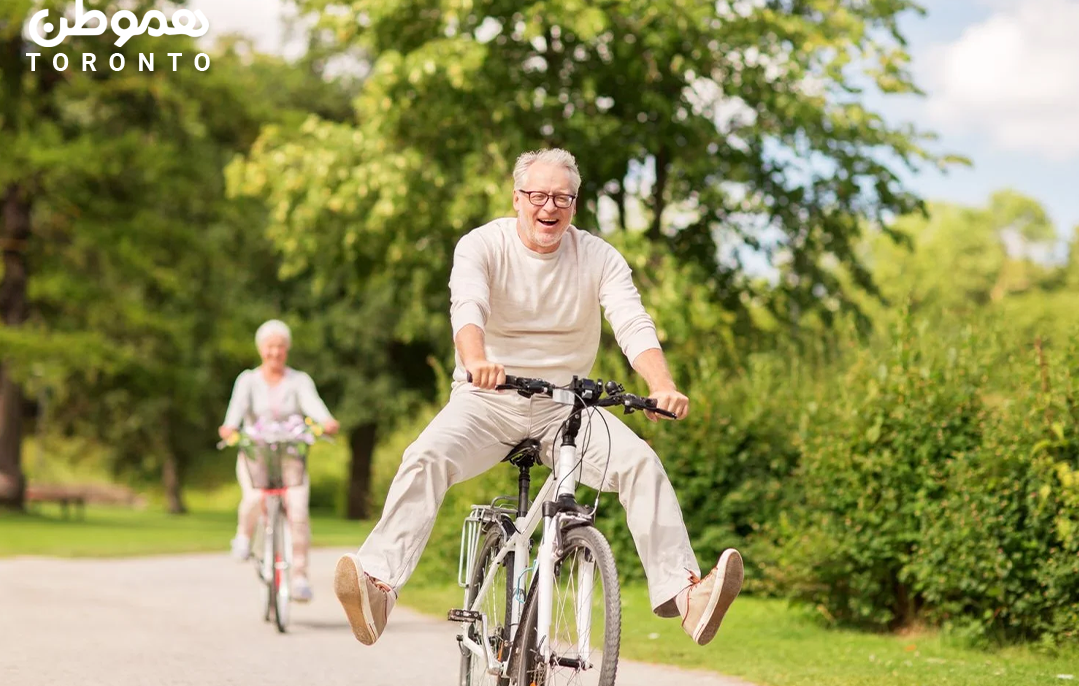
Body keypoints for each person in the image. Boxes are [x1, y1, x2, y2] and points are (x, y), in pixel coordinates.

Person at [333, 148, 743, 646]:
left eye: (562, 198)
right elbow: (468, 307)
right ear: (517, 198)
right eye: (538, 195)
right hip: (487, 399)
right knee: (425, 456)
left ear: (575, 204)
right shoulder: (482, 245)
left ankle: (687, 596)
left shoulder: (598, 256)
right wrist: (477, 359)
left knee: (641, 464)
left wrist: (662, 385)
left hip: (567, 408)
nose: (549, 207)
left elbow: (632, 322)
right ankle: (378, 586)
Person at [219, 319, 340, 603]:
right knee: (253, 497)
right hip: (256, 455)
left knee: (298, 511)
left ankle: (299, 577)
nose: (275, 352)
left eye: (281, 347)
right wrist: (229, 428)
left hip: (290, 456)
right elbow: (234, 414)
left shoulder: (299, 381)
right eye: (270, 347)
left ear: (287, 350)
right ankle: (243, 536)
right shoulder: (247, 380)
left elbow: (314, 406)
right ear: (261, 349)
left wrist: (326, 421)